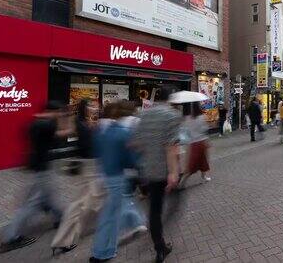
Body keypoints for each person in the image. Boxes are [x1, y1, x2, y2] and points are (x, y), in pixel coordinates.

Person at [0, 101, 73, 253]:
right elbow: (66, 132)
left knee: (47, 198)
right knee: (31, 204)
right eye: (58, 112)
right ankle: (11, 238)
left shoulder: (34, 123)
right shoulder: (48, 125)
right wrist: (69, 118)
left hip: (36, 164)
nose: (59, 114)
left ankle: (60, 218)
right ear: (53, 111)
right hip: (43, 167)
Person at [89, 102, 146, 263]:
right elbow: (131, 160)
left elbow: (96, 153)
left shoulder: (100, 131)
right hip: (118, 177)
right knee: (110, 216)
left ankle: (107, 248)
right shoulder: (121, 132)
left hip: (105, 176)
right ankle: (102, 252)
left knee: (112, 212)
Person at [131, 88, 182, 262]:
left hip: (146, 169)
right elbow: (171, 147)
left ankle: (159, 247)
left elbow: (135, 144)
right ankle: (161, 247)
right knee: (166, 206)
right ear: (169, 99)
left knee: (154, 210)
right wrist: (174, 172)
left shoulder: (143, 115)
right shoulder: (172, 116)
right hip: (163, 171)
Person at [51, 99, 101, 255]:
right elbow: (62, 132)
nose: (94, 108)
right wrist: (61, 117)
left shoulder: (90, 122)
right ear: (83, 107)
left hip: (94, 164)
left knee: (94, 200)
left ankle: (99, 223)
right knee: (79, 204)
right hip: (87, 165)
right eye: (91, 105)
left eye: (95, 106)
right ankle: (63, 240)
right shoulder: (77, 121)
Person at [179, 102, 211, 188]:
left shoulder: (188, 118)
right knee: (195, 163)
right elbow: (205, 130)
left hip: (192, 143)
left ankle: (204, 176)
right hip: (201, 142)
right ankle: (182, 182)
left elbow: (185, 129)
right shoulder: (202, 117)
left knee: (200, 161)